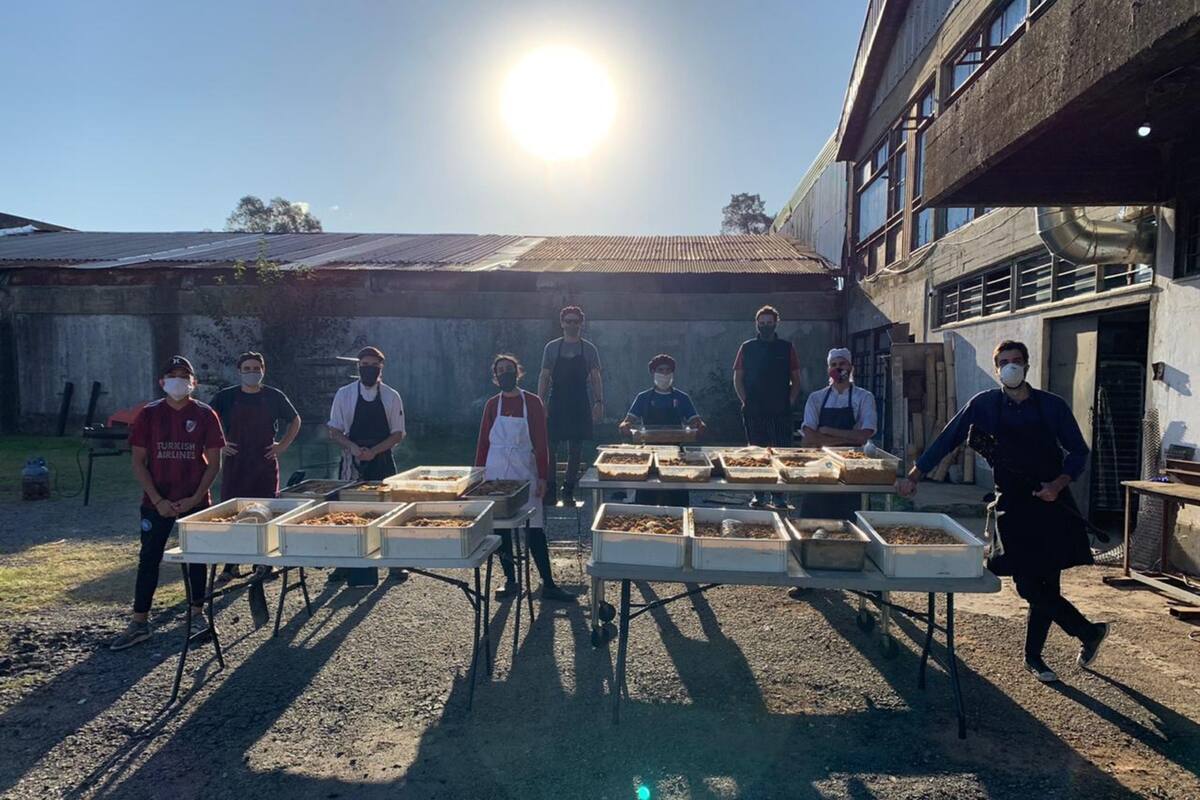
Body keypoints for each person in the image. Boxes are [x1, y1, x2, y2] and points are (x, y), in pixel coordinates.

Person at [898, 340, 1109, 683]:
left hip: (1051, 502)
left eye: (1017, 361)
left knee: (1047, 583)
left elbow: (1078, 452)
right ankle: (1087, 632)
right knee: (1027, 584)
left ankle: (1035, 658)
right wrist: (915, 474)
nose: (1012, 366)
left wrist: (1057, 485)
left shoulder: (1051, 406)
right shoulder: (984, 405)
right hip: (1012, 503)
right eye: (1005, 362)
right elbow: (948, 438)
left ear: (1027, 366)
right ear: (997, 369)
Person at [109, 356, 225, 651]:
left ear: (193, 382)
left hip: (194, 499)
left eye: (184, 375)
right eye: (172, 375)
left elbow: (214, 463)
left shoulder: (205, 414)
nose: (178, 380)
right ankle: (139, 622)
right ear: (162, 382)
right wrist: (158, 499)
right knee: (149, 557)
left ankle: (197, 614)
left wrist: (196, 498)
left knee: (196, 558)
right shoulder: (148, 415)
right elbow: (138, 461)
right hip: (156, 501)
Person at [476, 355, 574, 602]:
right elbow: (482, 443)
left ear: (517, 373)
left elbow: (541, 442)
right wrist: (477, 477)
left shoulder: (532, 402)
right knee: (501, 529)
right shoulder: (491, 405)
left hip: (524, 470)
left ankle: (548, 583)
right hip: (495, 471)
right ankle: (510, 580)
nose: (505, 373)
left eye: (509, 369)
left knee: (535, 527)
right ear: (495, 376)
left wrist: (543, 477)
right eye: (500, 370)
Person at [209, 351, 301, 584]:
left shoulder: (274, 396)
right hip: (236, 463)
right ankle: (231, 566)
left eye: (256, 368)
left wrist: (283, 446)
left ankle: (264, 563)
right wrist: (219, 445)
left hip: (264, 464)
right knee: (234, 514)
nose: (252, 373)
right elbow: (207, 420)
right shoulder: (226, 397)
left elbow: (295, 420)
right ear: (239, 371)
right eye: (247, 369)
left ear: (263, 370)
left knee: (265, 513)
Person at [327, 346, 408, 586]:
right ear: (358, 367)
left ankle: (394, 563)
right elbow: (334, 430)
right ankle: (345, 564)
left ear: (380, 369)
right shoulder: (344, 394)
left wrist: (374, 451)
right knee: (347, 512)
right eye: (364, 366)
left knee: (389, 511)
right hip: (352, 459)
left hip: (381, 458)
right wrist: (353, 448)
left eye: (373, 366)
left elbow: (398, 434)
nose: (368, 370)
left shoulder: (392, 396)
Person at [733, 305, 801, 509]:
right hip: (754, 410)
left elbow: (796, 379)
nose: (765, 326)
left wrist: (789, 401)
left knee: (780, 453)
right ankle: (759, 495)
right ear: (757, 324)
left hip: (780, 410)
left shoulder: (787, 348)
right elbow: (737, 377)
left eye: (769, 322)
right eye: (762, 323)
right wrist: (745, 401)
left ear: (776, 323)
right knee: (757, 454)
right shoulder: (747, 347)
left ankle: (779, 496)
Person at [799, 347, 878, 519]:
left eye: (842, 363)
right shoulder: (816, 398)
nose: (838, 368)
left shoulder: (864, 397)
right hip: (820, 467)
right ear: (828, 369)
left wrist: (827, 432)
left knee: (850, 518)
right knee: (814, 518)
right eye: (833, 364)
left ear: (850, 367)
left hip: (852, 467)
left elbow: (864, 436)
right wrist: (847, 437)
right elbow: (809, 439)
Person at [538, 305, 604, 506]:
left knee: (576, 448)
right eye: (568, 321)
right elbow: (545, 375)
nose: (572, 325)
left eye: (576, 321)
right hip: (557, 399)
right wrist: (539, 401)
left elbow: (595, 377)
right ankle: (549, 489)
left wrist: (599, 402)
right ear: (562, 323)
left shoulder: (589, 349)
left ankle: (568, 489)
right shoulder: (551, 347)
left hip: (579, 401)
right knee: (550, 446)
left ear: (581, 324)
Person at [618, 354, 705, 506]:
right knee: (647, 498)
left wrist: (700, 427)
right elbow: (627, 422)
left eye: (668, 370)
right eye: (660, 370)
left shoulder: (682, 398)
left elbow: (695, 422)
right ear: (652, 372)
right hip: (649, 455)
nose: (664, 373)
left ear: (673, 373)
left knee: (677, 499)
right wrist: (624, 427)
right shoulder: (643, 397)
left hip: (676, 456)